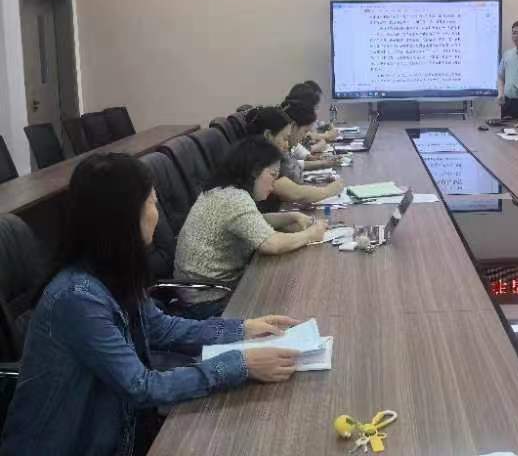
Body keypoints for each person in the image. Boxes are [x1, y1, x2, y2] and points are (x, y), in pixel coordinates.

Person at [0, 153, 304, 456]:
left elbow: (160, 328)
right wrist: (241, 364)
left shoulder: (112, 269)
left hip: (120, 427)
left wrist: (243, 329)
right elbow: (140, 386)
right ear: (124, 215)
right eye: (151, 203)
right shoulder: (77, 297)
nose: (156, 214)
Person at [174, 136, 328, 318]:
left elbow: (253, 222)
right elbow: (271, 244)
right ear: (255, 171)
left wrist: (291, 216)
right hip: (208, 302)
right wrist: (311, 234)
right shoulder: (234, 199)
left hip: (206, 292)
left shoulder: (222, 190)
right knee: (295, 301)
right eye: (272, 175)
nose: (274, 184)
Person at [246, 106, 344, 213]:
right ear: (268, 135)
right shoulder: (257, 162)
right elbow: (296, 193)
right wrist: (330, 190)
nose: (287, 145)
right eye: (284, 139)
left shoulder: (256, 152)